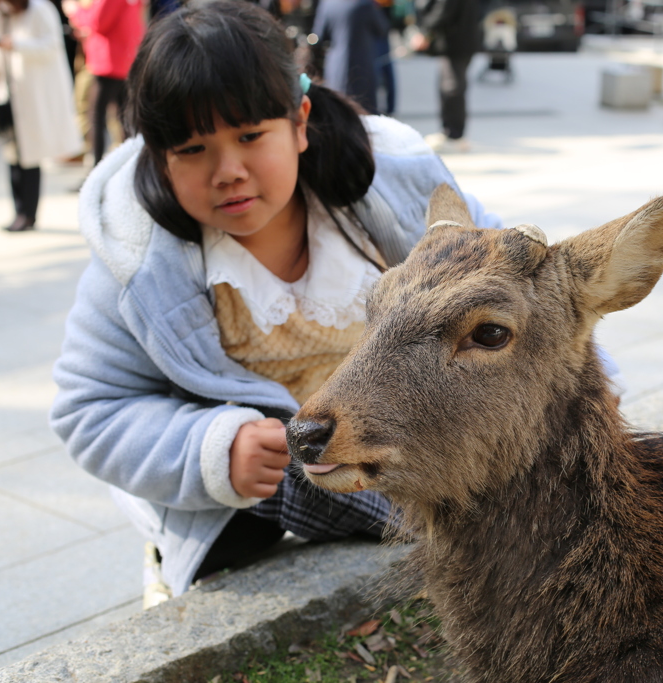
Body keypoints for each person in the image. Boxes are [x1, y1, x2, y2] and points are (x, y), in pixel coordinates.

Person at [49, 0, 503, 607]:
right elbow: (90, 409)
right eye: (192, 149)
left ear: (299, 121)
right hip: (260, 493)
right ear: (159, 157)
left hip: (395, 450)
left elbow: (514, 285)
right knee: (274, 501)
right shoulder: (138, 261)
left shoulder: (394, 187)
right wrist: (211, 448)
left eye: (249, 136)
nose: (227, 171)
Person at [0, 0, 81, 231]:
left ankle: (28, 214)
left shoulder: (41, 10)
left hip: (34, 96)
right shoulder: (4, 16)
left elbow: (51, 46)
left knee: (30, 157)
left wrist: (15, 44)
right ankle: (18, 210)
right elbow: (3, 58)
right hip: (11, 96)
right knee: (12, 155)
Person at [62, 0, 143, 166]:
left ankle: (96, 168)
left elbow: (97, 22)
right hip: (123, 59)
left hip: (109, 62)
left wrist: (74, 11)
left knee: (96, 117)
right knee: (123, 118)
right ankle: (128, 166)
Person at [410, 0, 480, 154]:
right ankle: (449, 131)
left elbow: (443, 10)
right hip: (459, 40)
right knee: (449, 86)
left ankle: (454, 135)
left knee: (451, 87)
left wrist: (425, 33)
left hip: (456, 41)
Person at [312, 0, 390, 115]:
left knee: (339, 111)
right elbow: (382, 29)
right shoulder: (365, 4)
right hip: (363, 65)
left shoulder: (327, 3)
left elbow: (319, 35)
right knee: (366, 114)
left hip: (336, 67)